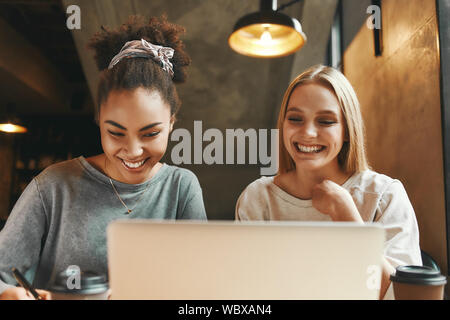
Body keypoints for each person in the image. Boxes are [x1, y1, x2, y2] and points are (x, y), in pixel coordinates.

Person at [0, 15, 207, 300]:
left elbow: (200, 284)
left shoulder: (181, 188)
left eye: (150, 134)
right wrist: (9, 293)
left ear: (171, 122)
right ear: (99, 120)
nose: (133, 151)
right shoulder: (53, 186)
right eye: (116, 133)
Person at [235, 65, 422, 299]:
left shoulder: (385, 195)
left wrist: (347, 217)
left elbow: (403, 295)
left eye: (325, 121)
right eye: (295, 119)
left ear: (346, 130)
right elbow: (246, 292)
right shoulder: (258, 197)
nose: (308, 133)